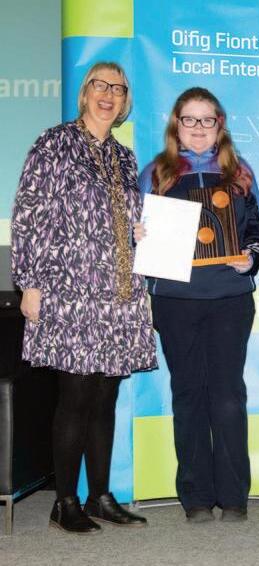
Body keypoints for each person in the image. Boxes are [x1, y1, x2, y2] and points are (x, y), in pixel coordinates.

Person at [11, 61, 156, 534]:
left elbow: (123, 218)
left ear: (125, 100)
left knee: (105, 395)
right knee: (75, 395)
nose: (108, 94)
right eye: (100, 85)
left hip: (118, 293)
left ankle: (100, 496)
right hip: (69, 289)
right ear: (85, 93)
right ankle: (65, 501)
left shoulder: (124, 157)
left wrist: (138, 232)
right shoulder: (54, 143)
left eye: (118, 88)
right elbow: (29, 212)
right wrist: (29, 281)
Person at [137, 87, 259, 523]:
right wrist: (138, 235)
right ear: (176, 124)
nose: (198, 128)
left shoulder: (240, 172)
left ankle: (234, 496)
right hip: (176, 302)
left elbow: (258, 229)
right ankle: (195, 496)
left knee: (228, 396)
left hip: (230, 299)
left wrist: (251, 256)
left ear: (219, 126)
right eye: (189, 119)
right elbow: (136, 232)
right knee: (188, 394)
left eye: (207, 119)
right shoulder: (156, 173)